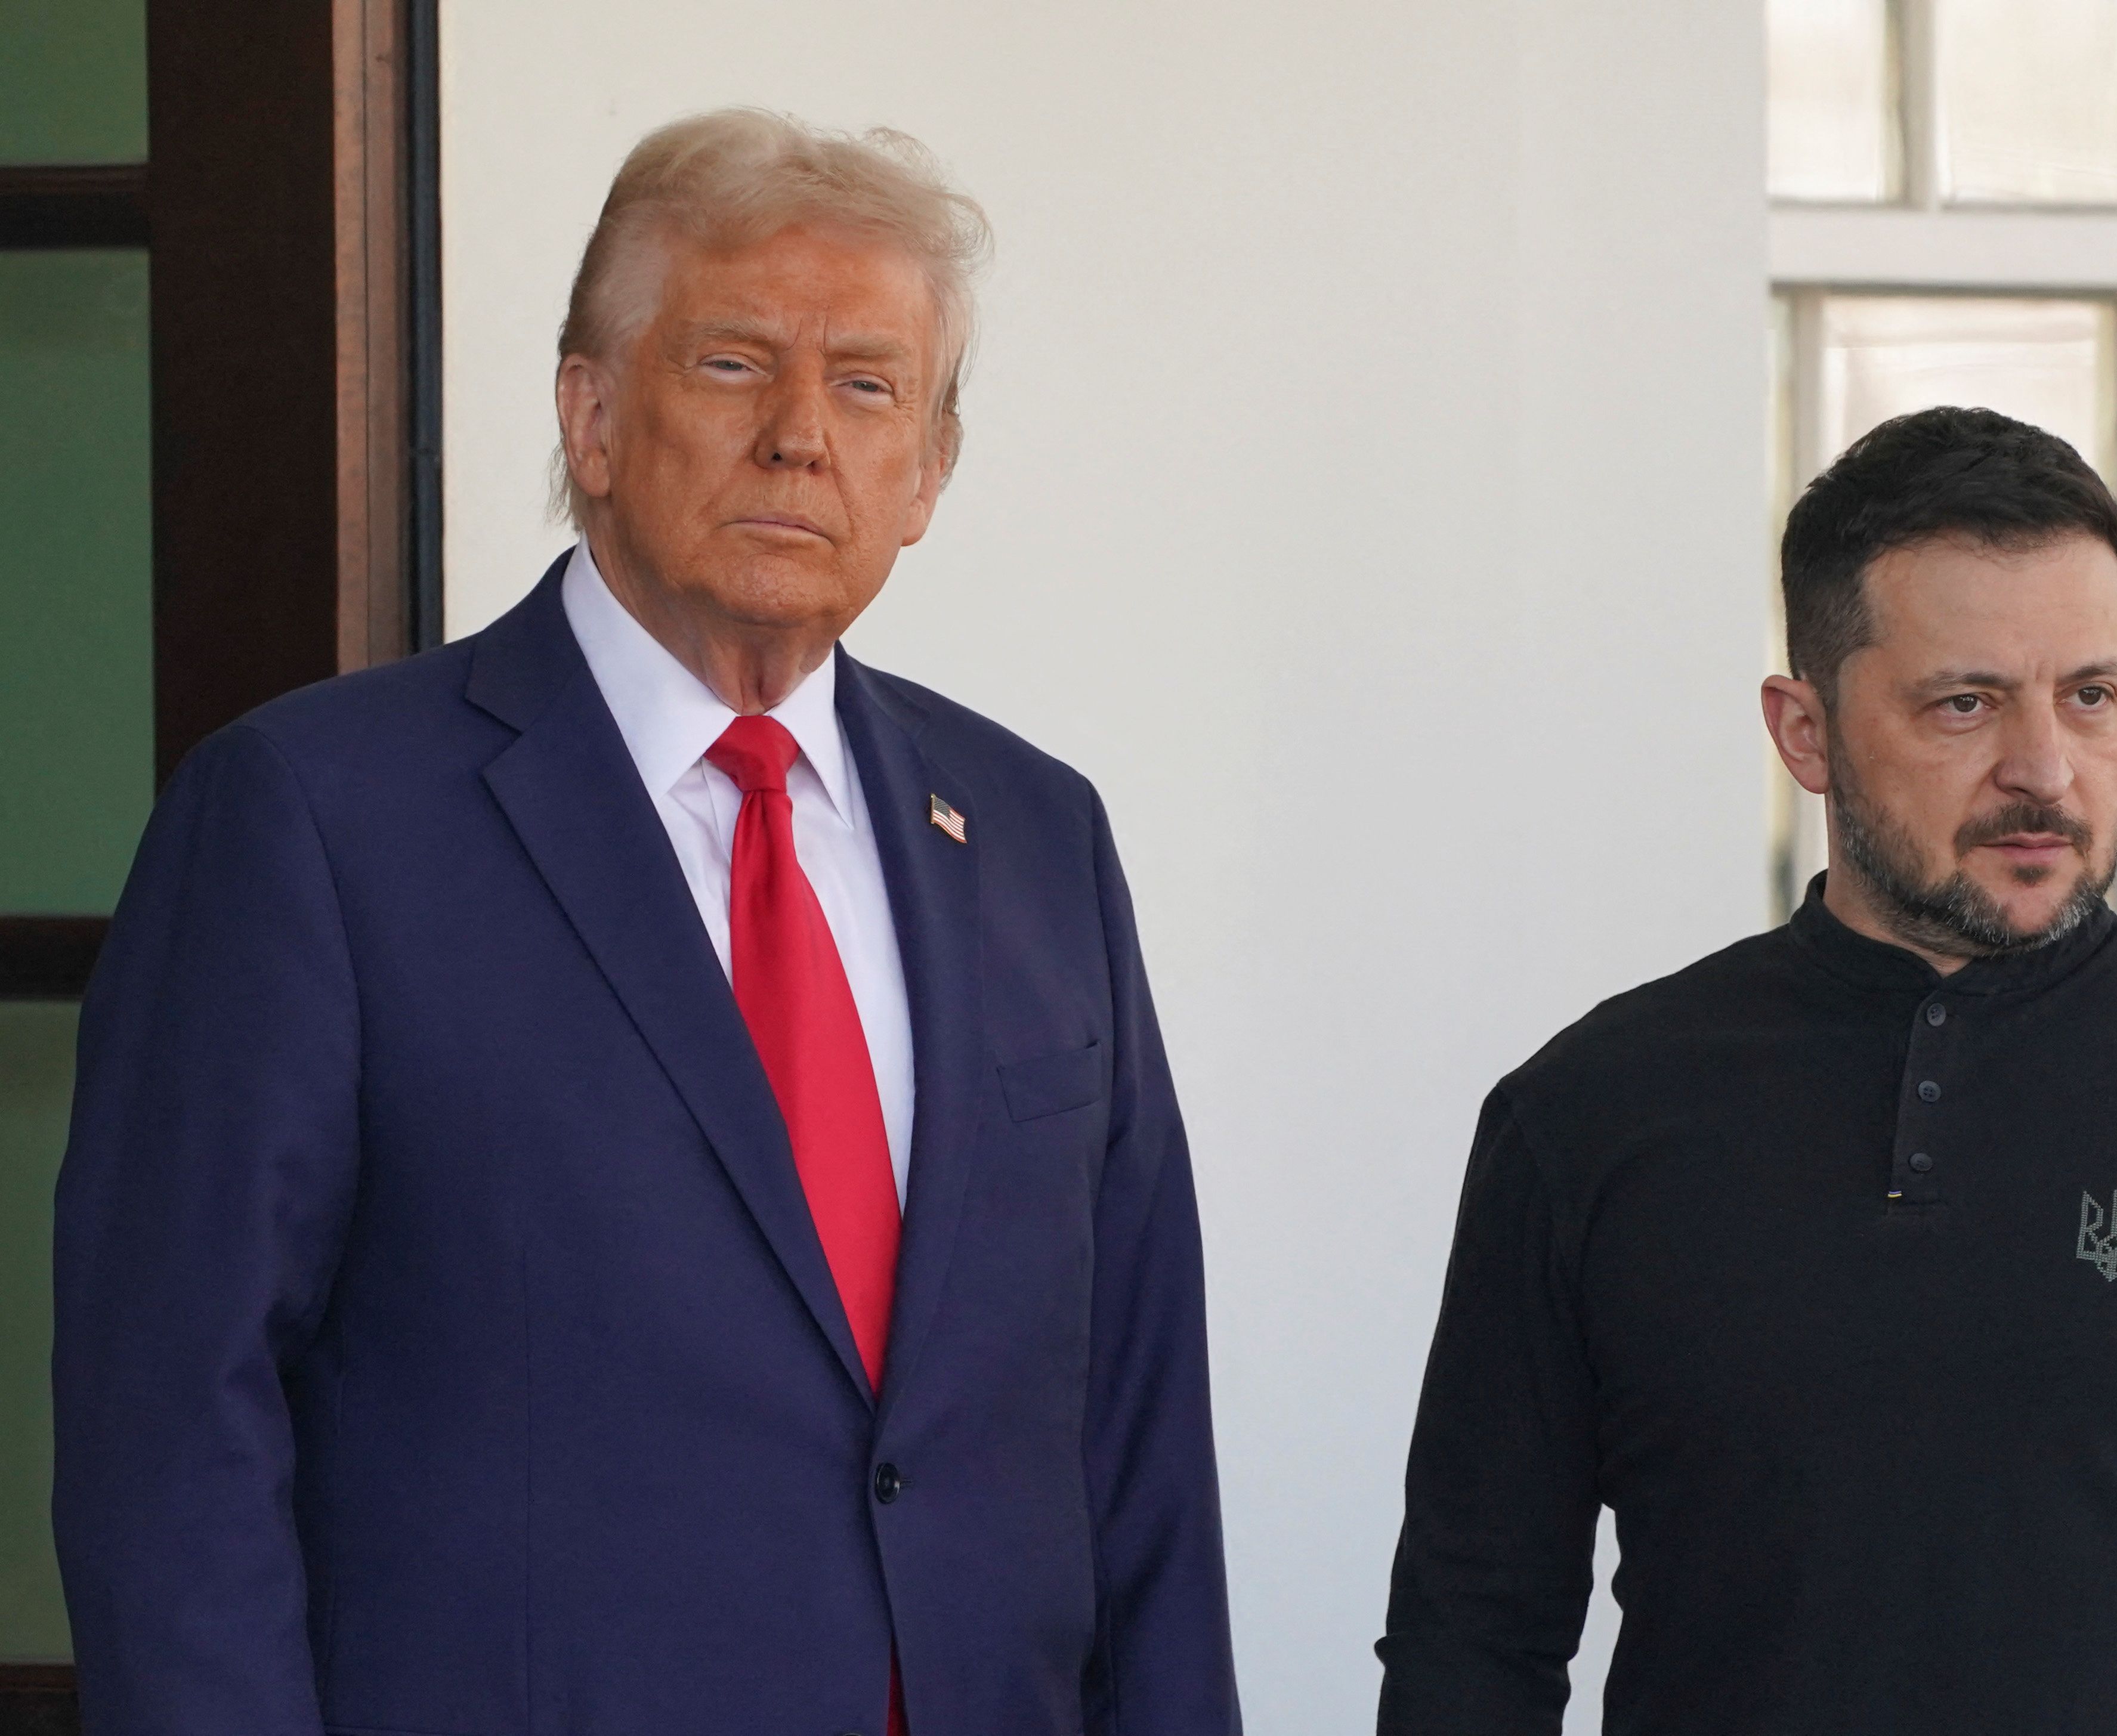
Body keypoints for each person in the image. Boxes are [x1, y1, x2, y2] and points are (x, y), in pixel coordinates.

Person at [54, 110, 1239, 1736]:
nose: (800, 436)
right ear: (592, 416)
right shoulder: (310, 822)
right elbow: (171, 1433)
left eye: (867, 386)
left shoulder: (1038, 837)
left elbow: (1139, 1426)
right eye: (734, 364)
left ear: (927, 476)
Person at [1374, 406, 2117, 1734]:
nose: (2043, 770)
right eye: (1964, 704)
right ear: (1804, 731)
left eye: (2089, 696)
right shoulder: (1586, 1117)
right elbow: (1471, 1637)